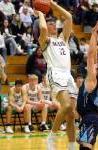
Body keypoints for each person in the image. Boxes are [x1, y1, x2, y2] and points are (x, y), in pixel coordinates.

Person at [37, 1, 78, 149]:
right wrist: (41, 12)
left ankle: (72, 145)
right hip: (55, 73)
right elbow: (42, 27)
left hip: (68, 75)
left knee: (71, 114)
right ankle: (52, 135)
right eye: (51, 24)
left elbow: (68, 17)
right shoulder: (45, 40)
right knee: (66, 105)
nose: (54, 25)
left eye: (54, 24)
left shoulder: (63, 39)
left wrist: (53, 4)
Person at [76, 20, 98, 150]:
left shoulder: (92, 79)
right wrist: (96, 38)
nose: (93, 64)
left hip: (90, 119)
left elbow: (91, 56)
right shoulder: (94, 80)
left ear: (96, 71)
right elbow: (94, 57)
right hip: (89, 118)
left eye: (95, 66)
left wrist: (92, 33)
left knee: (85, 148)